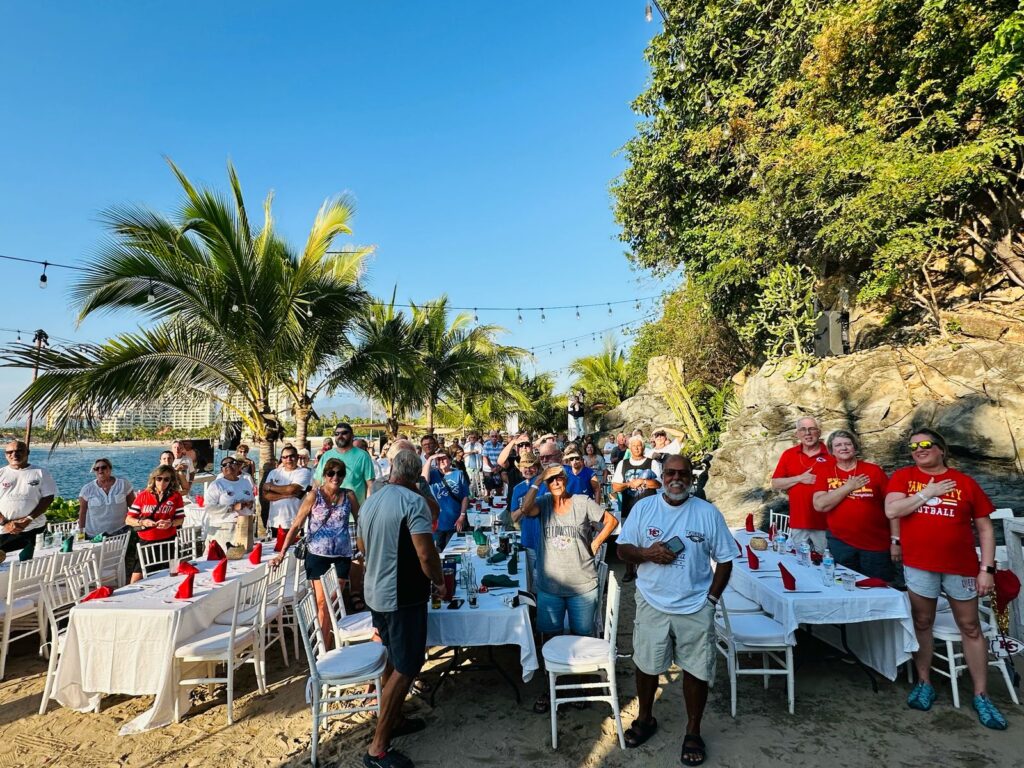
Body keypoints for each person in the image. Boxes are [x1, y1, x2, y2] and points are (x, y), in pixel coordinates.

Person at [617, 454, 737, 766]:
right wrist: (646, 553)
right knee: (646, 664)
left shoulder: (707, 513)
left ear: (691, 478)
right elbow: (622, 548)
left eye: (683, 474)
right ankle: (645, 719)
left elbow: (725, 559)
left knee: (696, 669)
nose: (676, 479)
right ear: (663, 476)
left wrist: (710, 600)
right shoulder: (644, 507)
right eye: (670, 473)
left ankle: (693, 731)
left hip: (695, 604)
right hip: (652, 601)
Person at [884, 428, 1007, 729]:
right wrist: (928, 492)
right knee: (922, 622)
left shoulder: (965, 483)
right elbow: (892, 509)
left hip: (961, 566)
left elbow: (986, 529)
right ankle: (925, 682)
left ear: (941, 448)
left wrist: (986, 569)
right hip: (920, 565)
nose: (919, 449)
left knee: (970, 626)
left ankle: (981, 694)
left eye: (926, 444)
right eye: (913, 446)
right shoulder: (903, 477)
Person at [357, 449, 446, 768]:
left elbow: (363, 547)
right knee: (408, 664)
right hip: (402, 595)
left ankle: (394, 719)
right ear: (416, 478)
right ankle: (377, 747)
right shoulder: (413, 502)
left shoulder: (371, 500)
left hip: (375, 592)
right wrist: (438, 581)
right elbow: (426, 554)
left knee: (395, 659)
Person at [521, 464, 618, 713]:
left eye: (558, 478)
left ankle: (577, 684)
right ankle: (551, 686)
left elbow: (611, 521)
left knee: (581, 637)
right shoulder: (542, 503)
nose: (555, 483)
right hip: (550, 585)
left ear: (565, 479)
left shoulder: (582, 501)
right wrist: (538, 480)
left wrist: (595, 542)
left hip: (582, 583)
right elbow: (524, 509)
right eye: (550, 480)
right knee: (550, 637)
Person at [272, 457, 359, 646]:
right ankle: (323, 649)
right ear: (325, 474)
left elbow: (362, 522)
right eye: (331, 473)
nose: (335, 477)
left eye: (340, 473)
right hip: (317, 555)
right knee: (322, 603)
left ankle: (324, 639)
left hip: (342, 555)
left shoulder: (349, 495)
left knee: (332, 601)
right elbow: (296, 525)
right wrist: (282, 552)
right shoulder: (314, 496)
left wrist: (365, 547)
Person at [811, 430, 897, 581]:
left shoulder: (873, 471)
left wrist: (896, 540)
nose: (843, 448)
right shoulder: (825, 471)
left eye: (847, 444)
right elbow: (819, 505)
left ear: (855, 447)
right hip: (840, 542)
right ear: (832, 450)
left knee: (877, 587)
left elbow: (893, 508)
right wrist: (848, 487)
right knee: (843, 586)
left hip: (875, 543)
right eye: (838, 445)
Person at [771, 416, 830, 553]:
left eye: (812, 429)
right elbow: (775, 483)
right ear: (797, 434)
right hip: (799, 522)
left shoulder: (832, 454)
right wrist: (799, 478)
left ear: (819, 432)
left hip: (826, 524)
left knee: (827, 563)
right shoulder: (789, 454)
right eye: (803, 429)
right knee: (800, 563)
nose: (807, 433)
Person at [611, 435, 663, 582]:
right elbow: (615, 486)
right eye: (634, 446)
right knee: (628, 539)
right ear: (629, 447)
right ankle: (629, 570)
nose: (637, 448)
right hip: (629, 505)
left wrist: (643, 482)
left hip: (649, 507)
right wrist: (629, 484)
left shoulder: (651, 463)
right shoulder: (623, 463)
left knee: (650, 537)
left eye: (639, 445)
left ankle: (649, 570)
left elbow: (658, 484)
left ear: (643, 447)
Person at [126, 464, 185, 582]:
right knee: (137, 577)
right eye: (159, 478)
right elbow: (128, 520)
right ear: (154, 479)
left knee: (173, 576)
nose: (162, 482)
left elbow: (180, 519)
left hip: (169, 541)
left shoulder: (175, 496)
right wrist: (142, 522)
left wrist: (171, 523)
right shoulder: (143, 495)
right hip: (146, 542)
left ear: (171, 481)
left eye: (166, 479)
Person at [0, 440, 56, 554]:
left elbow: (48, 498)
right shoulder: (1, 473)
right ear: (6, 455)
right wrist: (5, 522)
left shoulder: (40, 472)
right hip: (4, 531)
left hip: (34, 529)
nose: (14, 454)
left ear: (27, 452)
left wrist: (28, 519)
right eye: (10, 452)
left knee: (33, 565)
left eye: (19, 451)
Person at [314, 422, 375, 504]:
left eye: (344, 433)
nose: (340, 436)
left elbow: (370, 484)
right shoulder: (326, 455)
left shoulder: (363, 456)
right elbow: (318, 481)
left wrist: (369, 506)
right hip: (328, 511)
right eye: (337, 433)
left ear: (352, 435)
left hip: (354, 512)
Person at [204, 457, 256, 548]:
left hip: (245, 526)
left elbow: (252, 500)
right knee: (226, 558)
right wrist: (233, 507)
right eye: (224, 465)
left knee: (245, 557)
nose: (228, 465)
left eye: (232, 463)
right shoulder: (216, 485)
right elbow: (209, 508)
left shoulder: (245, 482)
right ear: (221, 470)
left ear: (238, 466)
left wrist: (250, 504)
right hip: (225, 529)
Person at [422, 451, 469, 550]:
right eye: (438, 460)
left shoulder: (458, 474)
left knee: (452, 551)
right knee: (437, 551)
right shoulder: (433, 474)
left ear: (450, 460)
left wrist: (462, 516)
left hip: (455, 520)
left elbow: (465, 496)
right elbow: (424, 480)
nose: (441, 461)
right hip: (437, 522)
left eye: (444, 458)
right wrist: (430, 459)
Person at [509, 451, 546, 578]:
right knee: (532, 577)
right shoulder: (517, 489)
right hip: (528, 537)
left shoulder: (545, 485)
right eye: (525, 467)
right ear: (520, 468)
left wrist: (525, 508)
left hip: (545, 538)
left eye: (532, 467)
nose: (528, 470)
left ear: (537, 468)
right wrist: (525, 509)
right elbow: (514, 517)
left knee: (545, 577)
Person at [78, 457, 135, 538]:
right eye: (96, 468)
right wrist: (81, 533)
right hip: (95, 535)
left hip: (121, 532)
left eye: (103, 467)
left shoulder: (123, 485)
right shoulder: (87, 489)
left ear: (110, 469)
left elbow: (133, 507)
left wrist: (138, 522)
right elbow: (82, 513)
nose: (100, 470)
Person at [262, 445, 313, 536]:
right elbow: (266, 496)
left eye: (291, 456)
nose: (288, 459)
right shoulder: (274, 473)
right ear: (281, 459)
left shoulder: (304, 472)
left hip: (295, 523)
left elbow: (292, 489)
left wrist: (271, 487)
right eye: (285, 457)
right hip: (275, 523)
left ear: (297, 457)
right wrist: (286, 495)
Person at [463, 431, 484, 498]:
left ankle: (478, 495)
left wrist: (476, 452)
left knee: (478, 482)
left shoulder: (479, 445)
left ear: (476, 438)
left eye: (474, 437)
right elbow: (464, 454)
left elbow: (481, 454)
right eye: (471, 437)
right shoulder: (466, 445)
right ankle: (471, 496)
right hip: (468, 466)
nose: (472, 439)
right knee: (470, 482)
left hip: (477, 466)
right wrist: (472, 452)